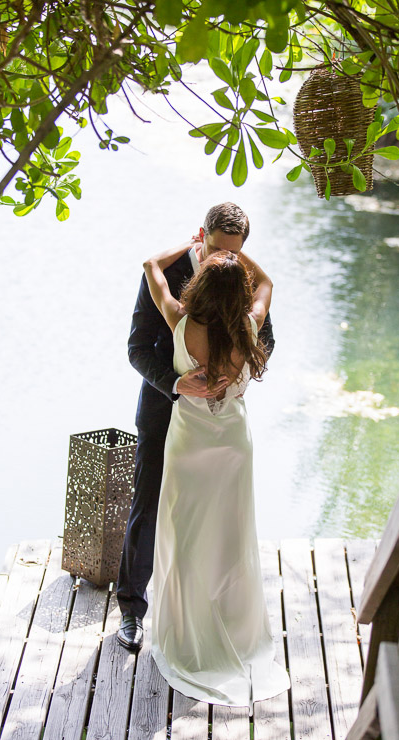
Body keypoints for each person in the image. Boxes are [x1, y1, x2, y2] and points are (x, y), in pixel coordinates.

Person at [116, 203, 274, 653]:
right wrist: (175, 381)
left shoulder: (235, 279)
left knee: (214, 516)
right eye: (219, 249)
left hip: (220, 414)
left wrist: (241, 376)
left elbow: (267, 337)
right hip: (165, 408)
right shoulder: (163, 281)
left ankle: (202, 610)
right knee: (148, 504)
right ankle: (132, 608)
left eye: (237, 253)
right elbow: (137, 348)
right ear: (200, 235)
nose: (225, 260)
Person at [141, 240, 290, 710]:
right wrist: (236, 259)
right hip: (233, 447)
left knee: (183, 537)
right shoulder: (250, 326)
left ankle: (187, 632)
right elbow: (267, 283)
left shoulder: (180, 324)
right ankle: (231, 627)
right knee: (230, 537)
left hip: (189, 446)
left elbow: (151, 267)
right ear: (238, 293)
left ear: (201, 284)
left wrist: (193, 246)